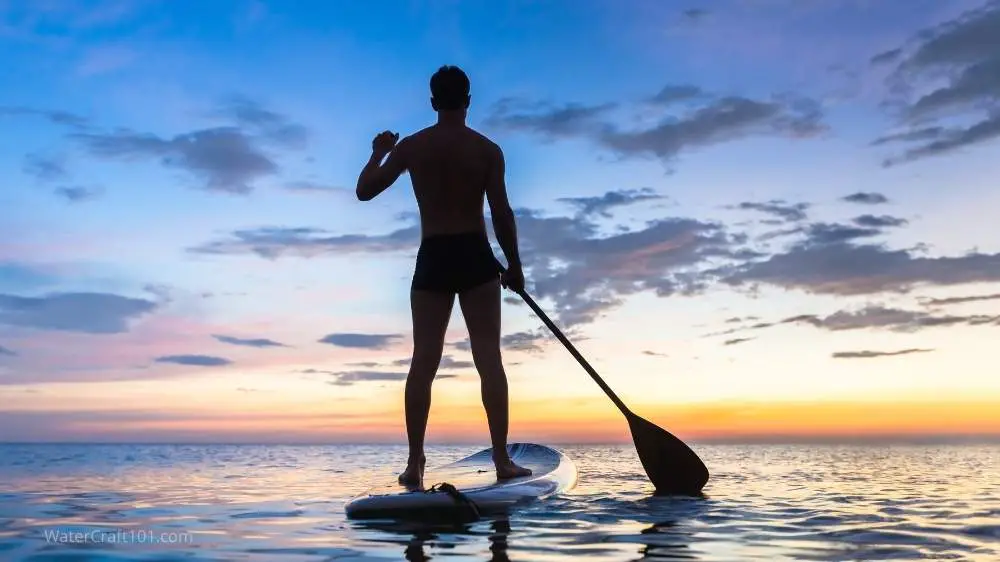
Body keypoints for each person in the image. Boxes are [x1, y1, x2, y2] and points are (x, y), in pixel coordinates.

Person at [355, 65, 532, 486]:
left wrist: (378, 150)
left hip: (434, 254)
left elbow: (364, 190)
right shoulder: (487, 150)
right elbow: (501, 213)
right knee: (489, 359)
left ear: (433, 102)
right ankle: (502, 460)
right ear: (468, 100)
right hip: (475, 255)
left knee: (424, 362)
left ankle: (415, 463)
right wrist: (515, 266)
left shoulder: (413, 148)